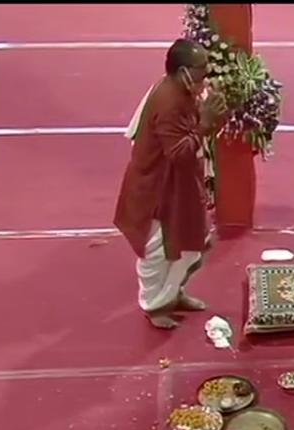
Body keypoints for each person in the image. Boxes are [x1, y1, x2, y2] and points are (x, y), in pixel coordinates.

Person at [113, 39, 228, 329]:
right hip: (159, 192)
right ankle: (155, 305)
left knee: (190, 241)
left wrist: (212, 118)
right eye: (201, 69)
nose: (206, 75)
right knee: (160, 251)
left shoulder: (184, 91)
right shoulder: (169, 102)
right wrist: (204, 124)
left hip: (180, 187)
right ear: (183, 71)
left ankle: (174, 293)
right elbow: (177, 154)